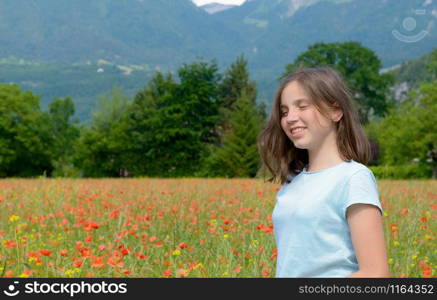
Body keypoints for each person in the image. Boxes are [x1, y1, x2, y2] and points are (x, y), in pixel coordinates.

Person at [257, 67, 389, 277]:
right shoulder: (291, 183)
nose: (290, 118)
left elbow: (375, 273)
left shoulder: (353, 178)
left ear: (335, 111)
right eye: (284, 111)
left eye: (302, 106)